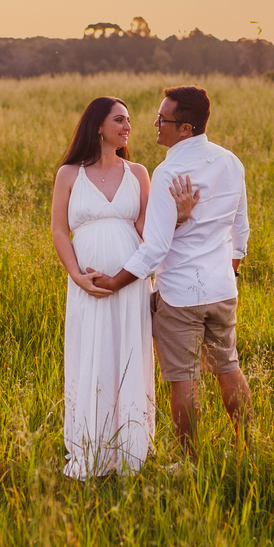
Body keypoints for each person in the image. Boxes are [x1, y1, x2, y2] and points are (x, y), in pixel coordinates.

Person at [91, 86, 252, 457]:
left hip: (180, 295)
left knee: (184, 381)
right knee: (228, 368)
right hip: (222, 289)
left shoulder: (169, 172)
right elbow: (239, 231)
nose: (155, 125)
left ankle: (190, 462)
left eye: (163, 120)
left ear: (185, 129)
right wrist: (228, 271)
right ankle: (246, 448)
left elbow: (156, 246)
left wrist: (115, 282)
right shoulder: (231, 161)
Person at [50, 96, 197, 479]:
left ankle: (129, 449)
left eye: (129, 120)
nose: (128, 126)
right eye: (119, 119)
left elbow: (148, 234)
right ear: (98, 126)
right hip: (89, 284)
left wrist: (178, 219)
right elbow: (57, 231)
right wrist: (77, 276)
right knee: (94, 354)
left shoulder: (139, 173)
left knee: (128, 354)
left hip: (131, 284)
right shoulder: (69, 174)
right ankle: (92, 447)